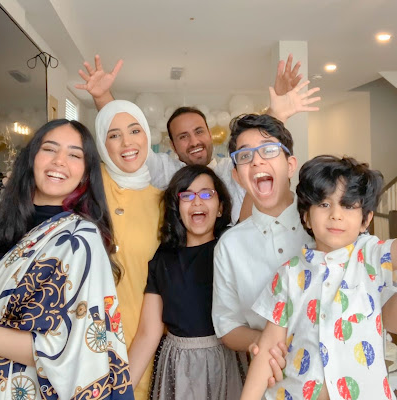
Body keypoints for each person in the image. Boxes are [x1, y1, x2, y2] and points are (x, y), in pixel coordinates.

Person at [75, 55, 320, 224]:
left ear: (209, 134)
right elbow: (129, 143)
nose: (194, 141)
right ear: (173, 146)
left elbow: (257, 150)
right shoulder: (164, 170)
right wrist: (102, 96)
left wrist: (277, 112)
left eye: (199, 131)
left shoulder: (232, 170)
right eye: (183, 137)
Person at [0, 119, 134, 399]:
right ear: (31, 159)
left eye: (74, 155)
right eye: (49, 149)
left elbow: (70, 350)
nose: (59, 161)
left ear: (85, 173)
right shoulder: (4, 223)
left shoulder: (79, 239)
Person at [241, 155, 397, 400]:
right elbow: (269, 347)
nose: (336, 214)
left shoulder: (370, 255)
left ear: (365, 219)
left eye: (348, 205)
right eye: (324, 204)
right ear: (306, 216)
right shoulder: (289, 273)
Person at [127, 165, 284, 399]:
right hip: (178, 369)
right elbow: (147, 333)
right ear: (176, 208)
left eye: (207, 194)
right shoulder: (163, 258)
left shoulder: (231, 247)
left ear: (220, 207)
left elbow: (255, 203)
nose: (197, 202)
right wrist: (120, 393)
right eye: (187, 196)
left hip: (226, 363)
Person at [212, 113, 315, 358]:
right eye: (245, 156)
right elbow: (227, 324)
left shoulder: (325, 224)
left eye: (268, 150)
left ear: (290, 165)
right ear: (237, 176)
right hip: (272, 373)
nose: (256, 161)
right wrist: (270, 344)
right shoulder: (230, 245)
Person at [95, 100, 162, 400]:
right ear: (102, 143)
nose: (127, 142)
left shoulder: (165, 204)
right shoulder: (88, 188)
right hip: (81, 341)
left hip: (139, 343)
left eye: (135, 130)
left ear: (147, 135)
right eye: (114, 135)